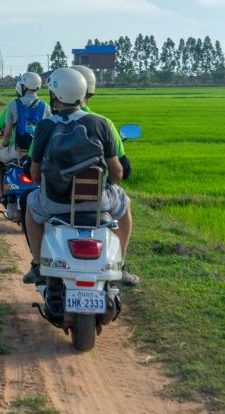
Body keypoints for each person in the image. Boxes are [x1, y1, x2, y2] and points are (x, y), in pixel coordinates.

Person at [22, 67, 138, 286]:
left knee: (30, 204)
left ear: (55, 95)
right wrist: (107, 186)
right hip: (97, 202)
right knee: (125, 203)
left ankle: (37, 265)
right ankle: (120, 267)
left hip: (54, 203)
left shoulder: (46, 125)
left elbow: (35, 173)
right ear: (85, 92)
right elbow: (118, 172)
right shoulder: (101, 123)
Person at [0, 72, 48, 215]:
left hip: (16, 151)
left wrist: (4, 145)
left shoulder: (14, 104)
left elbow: (7, 131)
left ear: (24, 86)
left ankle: (2, 195)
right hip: (37, 153)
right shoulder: (45, 107)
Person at [70, 64, 132, 180]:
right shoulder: (104, 123)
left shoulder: (47, 124)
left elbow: (32, 171)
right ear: (90, 89)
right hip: (99, 195)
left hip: (54, 195)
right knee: (124, 198)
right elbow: (124, 170)